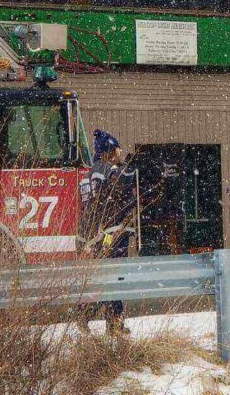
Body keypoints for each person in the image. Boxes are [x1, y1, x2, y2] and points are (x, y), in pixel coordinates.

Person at [78, 128, 138, 334]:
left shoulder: (88, 175)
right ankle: (106, 320)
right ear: (110, 151)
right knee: (114, 277)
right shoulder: (108, 170)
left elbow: (89, 208)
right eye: (117, 151)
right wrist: (131, 167)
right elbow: (119, 193)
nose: (119, 155)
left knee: (104, 277)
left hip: (93, 236)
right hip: (109, 234)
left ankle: (103, 319)